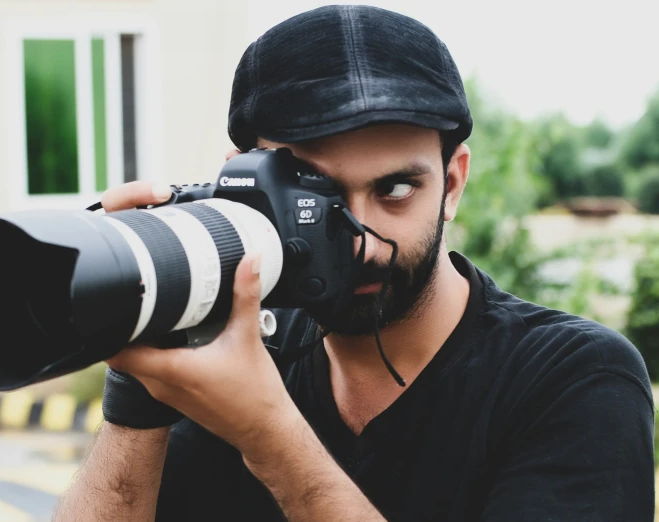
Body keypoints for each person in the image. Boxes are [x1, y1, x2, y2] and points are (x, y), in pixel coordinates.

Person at [53, 5, 654, 521]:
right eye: (317, 197)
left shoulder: (573, 379)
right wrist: (137, 386)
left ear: (452, 183)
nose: (360, 238)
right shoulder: (233, 348)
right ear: (242, 181)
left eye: (394, 191)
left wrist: (269, 437)